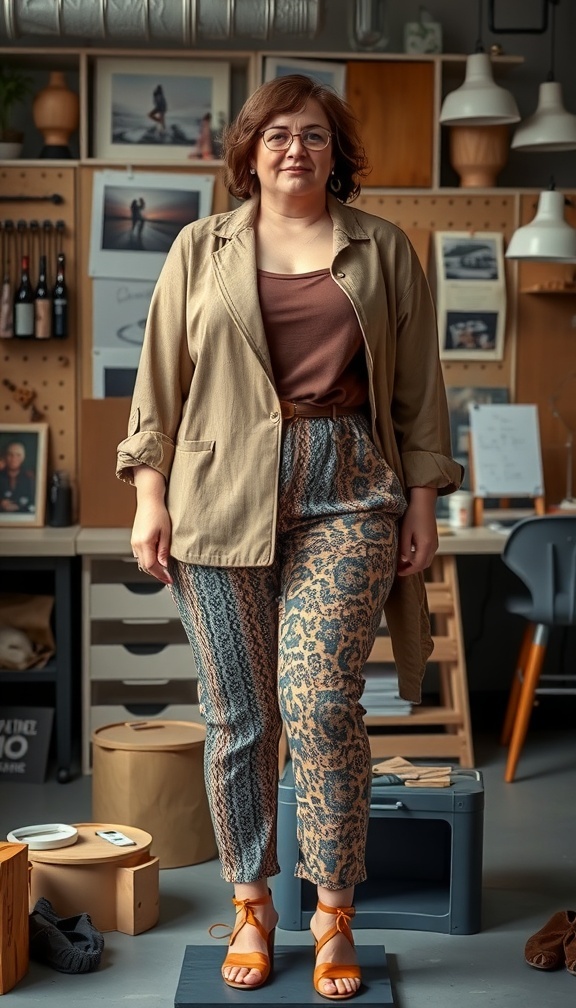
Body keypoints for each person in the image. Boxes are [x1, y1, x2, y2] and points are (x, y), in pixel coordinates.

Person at [116, 74, 463, 1000]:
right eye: (275, 136)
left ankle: (333, 909)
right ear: (250, 149)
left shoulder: (382, 249)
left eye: (312, 135)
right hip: (218, 495)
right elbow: (160, 379)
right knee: (239, 716)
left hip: (348, 488)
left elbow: (420, 392)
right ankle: (251, 903)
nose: (293, 151)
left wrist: (422, 504)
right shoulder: (201, 247)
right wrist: (151, 499)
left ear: (334, 150)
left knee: (317, 705)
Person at [0, 440, 35, 513]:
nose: (14, 458)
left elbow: (35, 503)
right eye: (10, 454)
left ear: (23, 457)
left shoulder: (30, 478)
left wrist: (19, 507)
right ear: (5, 456)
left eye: (18, 455)